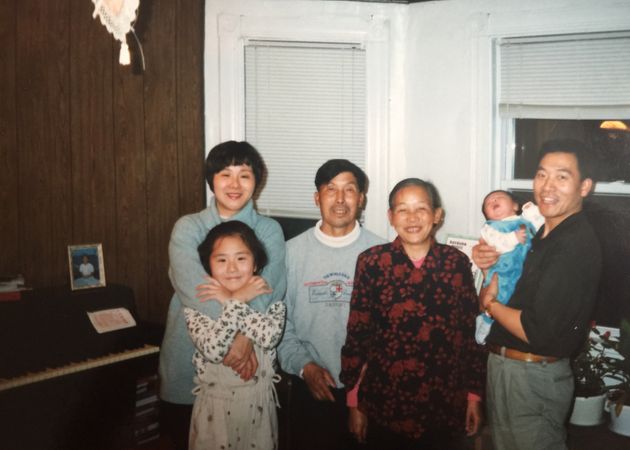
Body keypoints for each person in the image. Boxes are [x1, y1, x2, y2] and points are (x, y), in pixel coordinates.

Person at [473, 139, 602, 450]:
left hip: (533, 378)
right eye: (542, 175)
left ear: (584, 186)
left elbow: (536, 330)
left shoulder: (573, 244)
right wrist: (487, 269)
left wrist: (490, 304)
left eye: (562, 176)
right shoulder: (538, 234)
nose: (547, 186)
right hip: (508, 370)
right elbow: (493, 295)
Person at [159, 140, 287, 450]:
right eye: (224, 174)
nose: (234, 184)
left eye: (244, 175)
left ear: (256, 181)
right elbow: (195, 292)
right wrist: (236, 332)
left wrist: (244, 342)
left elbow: (271, 289)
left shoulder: (269, 230)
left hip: (251, 362)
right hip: (188, 362)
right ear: (211, 179)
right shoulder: (188, 228)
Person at [340, 178, 485, 450]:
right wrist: (353, 401)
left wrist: (474, 396)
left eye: (421, 208)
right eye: (403, 209)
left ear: (437, 216)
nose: (412, 218)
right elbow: (358, 334)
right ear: (390, 217)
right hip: (384, 404)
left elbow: (469, 334)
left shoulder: (456, 263)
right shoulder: (372, 262)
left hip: (444, 405)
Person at [277, 159, 385, 450]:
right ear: (317, 197)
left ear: (361, 199)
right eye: (330, 189)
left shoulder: (382, 254)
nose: (340, 199)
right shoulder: (289, 253)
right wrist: (304, 367)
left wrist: (360, 394)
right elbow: (279, 324)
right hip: (310, 387)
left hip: (369, 391)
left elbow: (389, 333)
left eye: (349, 190)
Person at [184, 220, 286, 450]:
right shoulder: (197, 307)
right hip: (213, 414)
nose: (231, 268)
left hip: (259, 410)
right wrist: (237, 299)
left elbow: (268, 336)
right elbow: (214, 349)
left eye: (241, 258)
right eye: (221, 260)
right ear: (207, 266)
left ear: (256, 263)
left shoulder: (273, 303)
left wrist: (230, 301)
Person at [475, 190, 544, 344]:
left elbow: (540, 223)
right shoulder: (491, 227)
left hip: (523, 270)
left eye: (499, 198)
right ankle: (485, 322)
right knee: (501, 296)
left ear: (514, 206)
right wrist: (514, 237)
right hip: (503, 271)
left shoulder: (524, 220)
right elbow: (497, 243)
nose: (493, 201)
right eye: (488, 203)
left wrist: (530, 209)